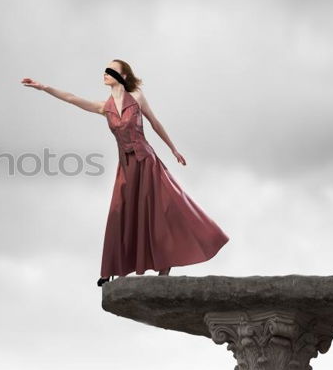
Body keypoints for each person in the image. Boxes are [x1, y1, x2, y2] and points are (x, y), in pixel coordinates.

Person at [21, 59, 229, 287]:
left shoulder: (137, 97)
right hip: (126, 168)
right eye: (105, 70)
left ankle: (165, 266)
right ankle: (115, 268)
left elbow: (155, 123)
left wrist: (173, 149)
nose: (105, 73)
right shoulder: (104, 107)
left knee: (160, 211)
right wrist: (44, 88)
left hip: (146, 162)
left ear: (124, 76)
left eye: (111, 70)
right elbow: (72, 98)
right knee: (120, 214)